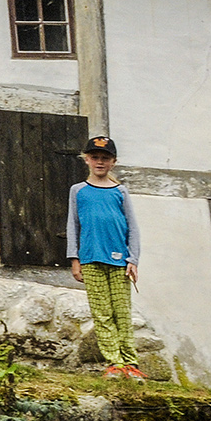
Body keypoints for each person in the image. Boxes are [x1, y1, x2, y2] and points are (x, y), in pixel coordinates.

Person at [67, 135, 144, 380]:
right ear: (87, 160)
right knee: (102, 313)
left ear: (113, 162)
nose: (100, 162)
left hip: (120, 261)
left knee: (121, 312)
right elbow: (73, 226)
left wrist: (133, 259)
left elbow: (132, 226)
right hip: (90, 260)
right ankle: (114, 363)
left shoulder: (120, 191)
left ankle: (131, 363)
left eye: (105, 158)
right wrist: (74, 258)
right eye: (95, 157)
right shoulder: (78, 191)